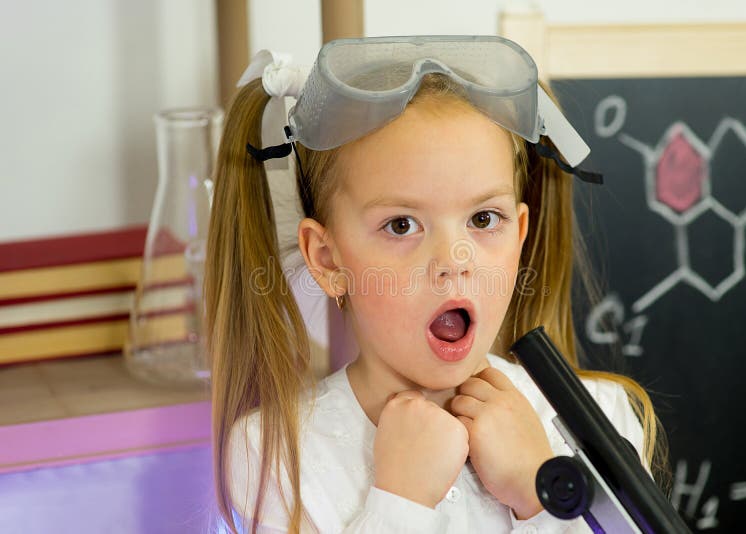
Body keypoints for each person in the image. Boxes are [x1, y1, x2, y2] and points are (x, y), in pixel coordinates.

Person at [205, 36, 667, 534]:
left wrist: (540, 492)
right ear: (328, 257)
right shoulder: (278, 456)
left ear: (520, 235)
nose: (453, 261)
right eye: (402, 225)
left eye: (484, 218)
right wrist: (400, 503)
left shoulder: (600, 423)